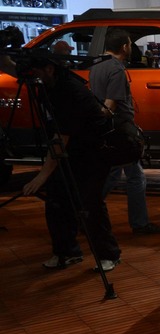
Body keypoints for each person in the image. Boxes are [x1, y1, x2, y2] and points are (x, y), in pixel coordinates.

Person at [21, 52, 121, 271]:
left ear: (49, 69)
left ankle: (109, 254)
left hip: (93, 151)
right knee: (56, 200)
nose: (33, 75)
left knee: (90, 203)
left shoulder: (69, 90)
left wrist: (42, 175)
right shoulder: (49, 86)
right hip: (73, 150)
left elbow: (61, 138)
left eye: (36, 70)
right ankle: (66, 252)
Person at [91, 29, 160, 235]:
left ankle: (86, 211)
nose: (131, 47)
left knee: (114, 174)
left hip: (109, 131)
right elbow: (110, 105)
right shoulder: (116, 70)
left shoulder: (96, 66)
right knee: (134, 177)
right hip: (119, 131)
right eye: (130, 44)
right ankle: (138, 224)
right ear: (125, 47)